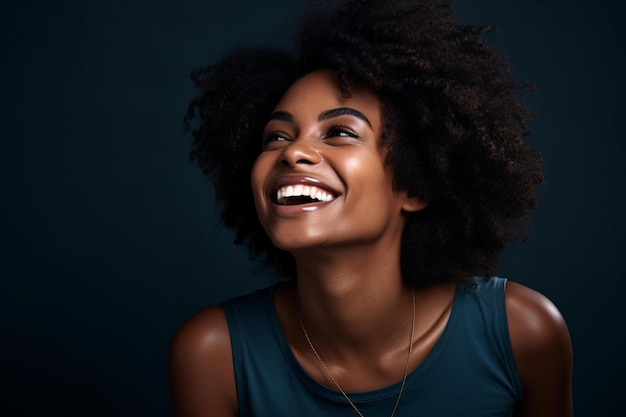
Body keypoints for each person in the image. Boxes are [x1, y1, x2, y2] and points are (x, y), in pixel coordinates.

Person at [169, 1, 573, 416]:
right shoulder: (214, 354)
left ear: (414, 185)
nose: (294, 152)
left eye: (341, 131)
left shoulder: (522, 332)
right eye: (276, 136)